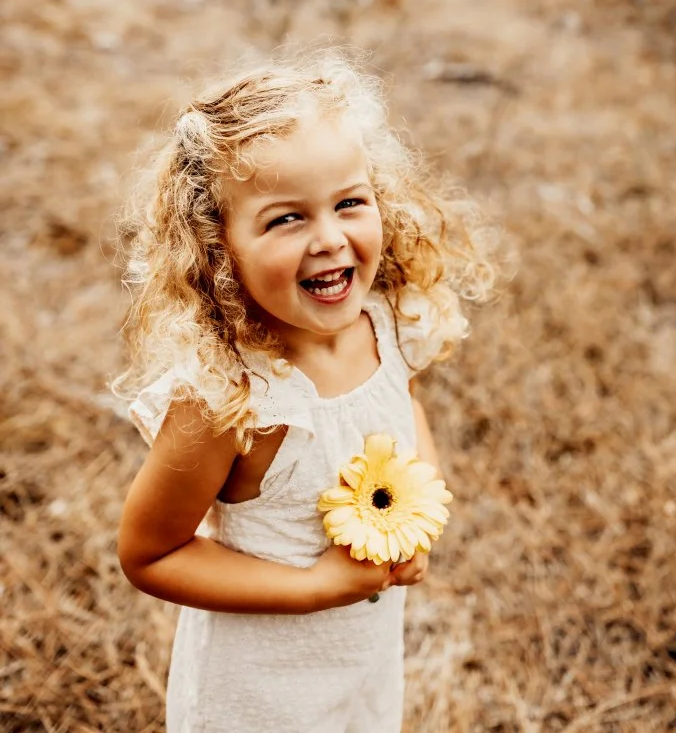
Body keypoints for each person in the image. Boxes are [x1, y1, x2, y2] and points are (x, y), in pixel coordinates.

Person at [115, 51, 495, 733]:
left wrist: (417, 511)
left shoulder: (384, 326)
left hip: (359, 664)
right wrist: (314, 586)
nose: (329, 239)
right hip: (255, 699)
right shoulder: (230, 399)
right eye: (286, 219)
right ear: (217, 247)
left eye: (349, 203)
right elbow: (151, 553)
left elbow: (400, 405)